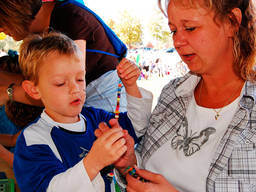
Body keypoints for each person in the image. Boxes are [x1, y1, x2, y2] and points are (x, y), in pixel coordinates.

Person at [100, 0, 256, 191]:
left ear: (231, 22)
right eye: (173, 31)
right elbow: (147, 170)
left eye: (190, 28)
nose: (177, 42)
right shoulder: (173, 93)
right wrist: (128, 164)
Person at [13, 32, 153, 192]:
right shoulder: (32, 140)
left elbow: (137, 125)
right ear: (33, 90)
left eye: (80, 79)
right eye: (60, 83)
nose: (75, 89)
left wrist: (131, 86)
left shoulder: (97, 118)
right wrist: (94, 161)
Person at [0, 0, 128, 112]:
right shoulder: (55, 22)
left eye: (1, 22)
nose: (1, 30)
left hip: (108, 107)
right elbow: (43, 84)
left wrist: (8, 93)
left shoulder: (70, 18)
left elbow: (63, 93)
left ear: (14, 12)